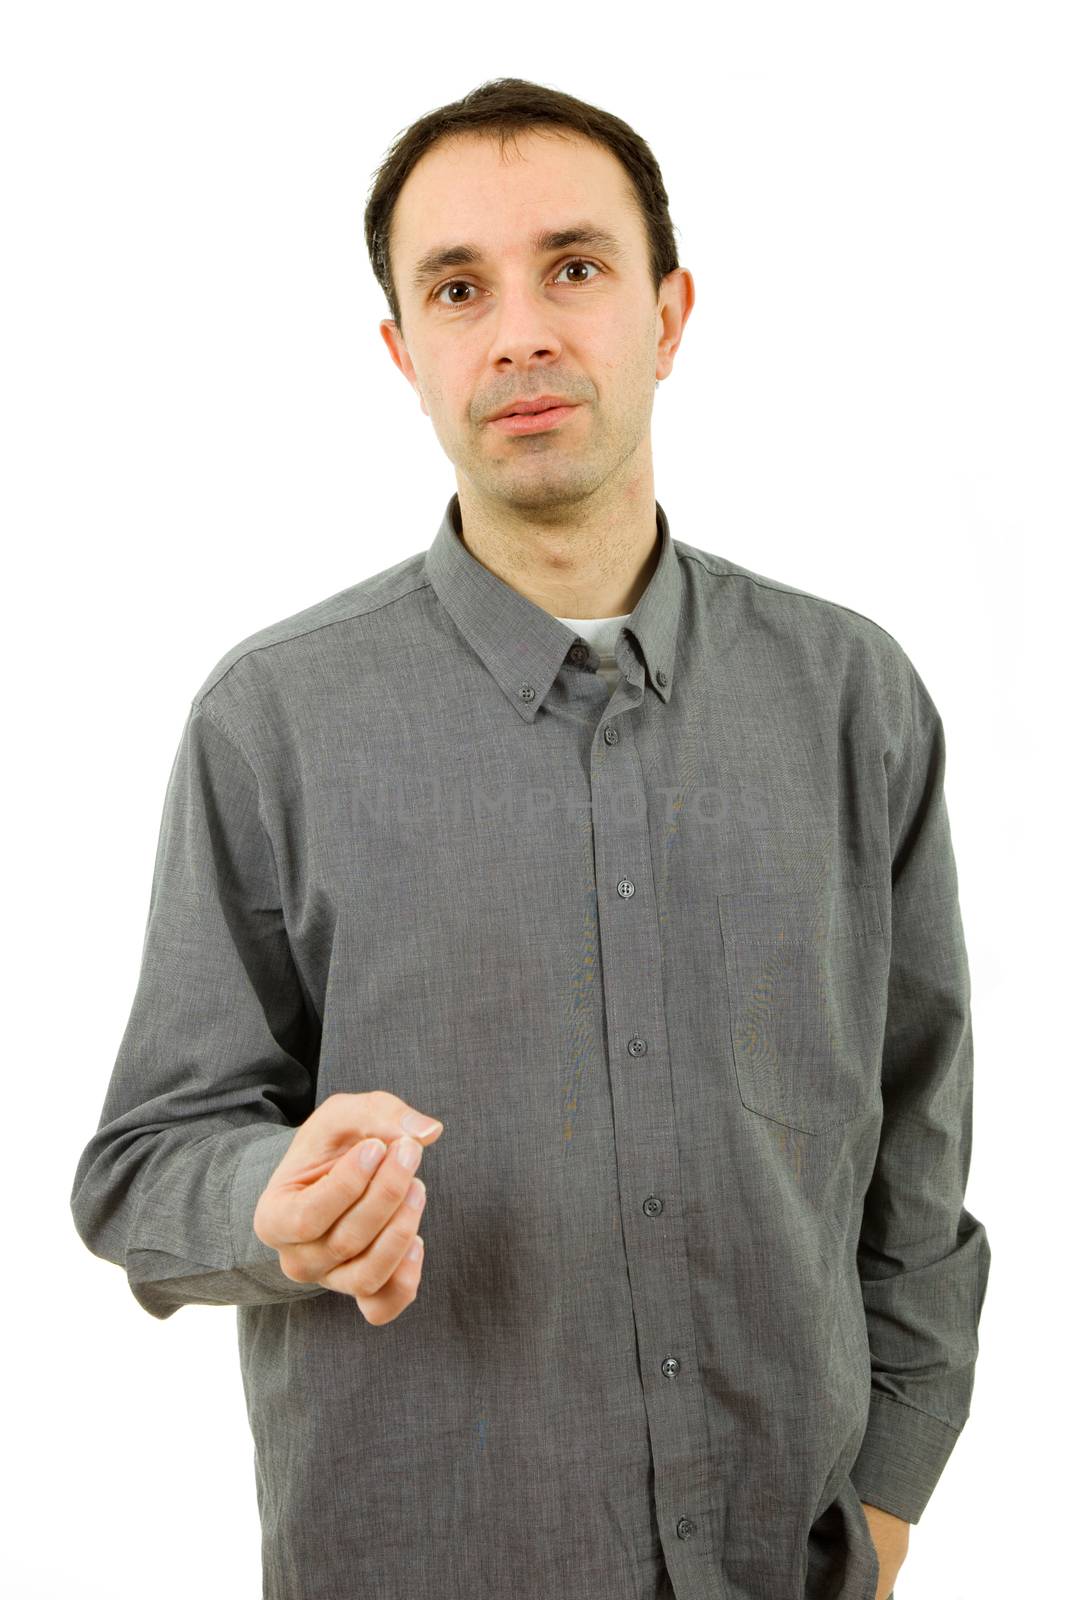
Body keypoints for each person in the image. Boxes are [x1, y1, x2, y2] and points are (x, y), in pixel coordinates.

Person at [70, 76, 989, 1600]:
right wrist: (271, 1207)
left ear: (669, 313)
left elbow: (919, 1150)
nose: (521, 333)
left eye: (574, 267)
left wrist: (887, 1497)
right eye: (457, 289)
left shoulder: (855, 698)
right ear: (404, 353)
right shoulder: (271, 722)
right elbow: (140, 1168)